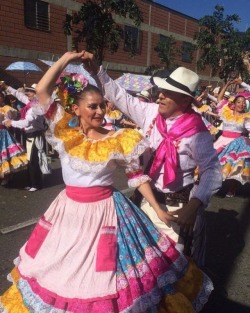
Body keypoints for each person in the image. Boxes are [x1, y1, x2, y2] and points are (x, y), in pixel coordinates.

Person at [0, 51, 213, 313]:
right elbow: (44, 89)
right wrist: (66, 59)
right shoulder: (64, 129)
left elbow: (137, 176)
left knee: (105, 277)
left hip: (106, 212)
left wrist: (160, 209)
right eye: (93, 106)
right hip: (68, 212)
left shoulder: (120, 138)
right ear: (76, 109)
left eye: (102, 105)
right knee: (61, 270)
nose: (101, 110)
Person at [82, 51, 222, 266]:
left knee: (174, 266)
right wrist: (98, 71)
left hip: (178, 209)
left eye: (168, 93)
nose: (160, 96)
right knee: (144, 261)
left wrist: (194, 206)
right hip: (146, 201)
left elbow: (212, 170)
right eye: (162, 90)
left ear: (185, 100)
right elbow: (121, 97)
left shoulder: (197, 132)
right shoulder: (150, 113)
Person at [0, 82, 48, 191]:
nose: (28, 93)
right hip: (30, 135)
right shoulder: (31, 103)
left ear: (37, 94)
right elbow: (19, 95)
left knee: (34, 160)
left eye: (31, 91)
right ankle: (31, 182)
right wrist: (7, 86)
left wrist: (11, 123)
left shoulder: (36, 107)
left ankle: (36, 184)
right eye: (28, 91)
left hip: (35, 136)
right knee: (29, 160)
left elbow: (26, 123)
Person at [214, 95, 250, 197]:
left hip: (237, 143)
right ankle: (211, 184)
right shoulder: (226, 113)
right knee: (214, 163)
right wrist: (227, 84)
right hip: (222, 141)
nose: (241, 104)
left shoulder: (246, 117)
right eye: (238, 102)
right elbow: (219, 99)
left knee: (235, 167)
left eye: (243, 103)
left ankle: (232, 188)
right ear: (233, 104)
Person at [0, 92, 27, 185]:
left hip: (3, 134)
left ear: (2, 98)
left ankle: (6, 176)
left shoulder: (6, 108)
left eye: (0, 97)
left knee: (5, 156)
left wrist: (9, 114)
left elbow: (10, 118)